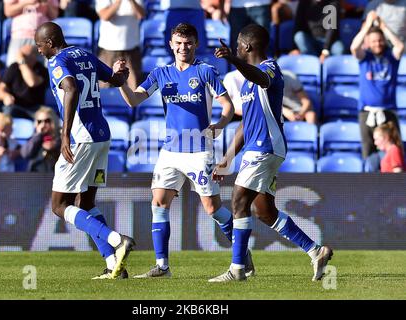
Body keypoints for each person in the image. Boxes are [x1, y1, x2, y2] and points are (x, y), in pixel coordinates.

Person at [117, 23, 255, 278]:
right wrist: (122, 83)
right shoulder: (161, 73)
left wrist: (221, 125)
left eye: (188, 43)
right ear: (171, 44)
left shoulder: (205, 72)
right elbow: (134, 100)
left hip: (199, 151)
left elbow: (227, 105)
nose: (183, 48)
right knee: (158, 202)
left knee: (212, 208)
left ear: (196, 44)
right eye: (178, 43)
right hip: (170, 152)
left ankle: (242, 255)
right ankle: (162, 266)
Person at [210, 24, 332, 282]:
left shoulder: (270, 69)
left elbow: (261, 78)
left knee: (238, 203)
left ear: (247, 46)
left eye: (238, 46)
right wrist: (227, 158)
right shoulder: (246, 84)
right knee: (263, 210)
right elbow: (245, 124)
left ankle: (237, 269)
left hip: (264, 147)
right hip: (258, 147)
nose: (236, 50)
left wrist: (232, 60)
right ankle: (316, 251)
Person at [34, 21, 135, 280]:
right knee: (86, 202)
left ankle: (116, 239)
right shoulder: (85, 55)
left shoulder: (57, 61)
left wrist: (64, 135)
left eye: (39, 45)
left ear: (50, 42)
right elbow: (114, 79)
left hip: (81, 138)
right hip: (102, 136)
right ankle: (113, 264)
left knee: (59, 205)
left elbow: (70, 88)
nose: (38, 51)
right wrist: (121, 72)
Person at [350, 12, 404, 159]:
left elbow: (399, 46)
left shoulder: (391, 57)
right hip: (367, 113)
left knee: (396, 153)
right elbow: (354, 48)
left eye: (380, 40)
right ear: (368, 42)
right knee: (368, 153)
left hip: (389, 113)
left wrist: (384, 27)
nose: (378, 43)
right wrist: (367, 27)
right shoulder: (365, 57)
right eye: (374, 41)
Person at [95, 0, 145, 90]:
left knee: (135, 88)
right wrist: (118, 2)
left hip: (131, 50)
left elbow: (141, 15)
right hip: (108, 50)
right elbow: (105, 16)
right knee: (103, 87)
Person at [0, 45, 49, 120]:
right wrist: (5, 96)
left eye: (24, 55)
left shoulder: (42, 70)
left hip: (35, 108)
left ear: (34, 56)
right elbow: (0, 89)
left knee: (47, 116)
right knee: (6, 115)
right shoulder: (13, 67)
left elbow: (32, 82)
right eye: (21, 55)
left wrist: (22, 62)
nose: (21, 57)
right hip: (15, 106)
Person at [4, 0, 59, 66]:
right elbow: (8, 11)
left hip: (43, 36)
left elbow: (54, 15)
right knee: (13, 67)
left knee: (49, 68)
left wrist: (46, 2)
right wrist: (27, 2)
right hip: (20, 35)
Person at [20, 106, 61, 172]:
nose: (43, 124)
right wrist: (38, 135)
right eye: (39, 121)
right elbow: (25, 153)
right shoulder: (35, 138)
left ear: (54, 121)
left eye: (47, 121)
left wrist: (55, 144)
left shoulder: (61, 137)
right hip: (37, 176)